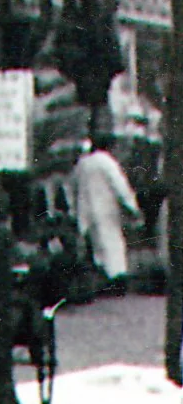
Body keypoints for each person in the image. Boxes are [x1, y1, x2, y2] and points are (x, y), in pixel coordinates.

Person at [71, 126, 143, 295]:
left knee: (97, 245)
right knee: (112, 245)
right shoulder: (107, 162)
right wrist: (132, 206)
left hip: (87, 210)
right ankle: (117, 281)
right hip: (106, 209)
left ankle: (101, 279)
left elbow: (74, 187)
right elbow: (120, 186)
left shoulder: (82, 163)